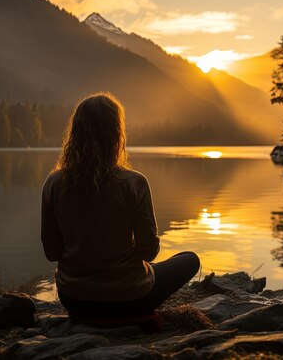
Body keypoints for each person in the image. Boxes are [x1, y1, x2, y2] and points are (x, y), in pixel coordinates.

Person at [41, 92, 200, 323]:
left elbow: (51, 253)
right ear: (116, 134)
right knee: (189, 259)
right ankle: (130, 317)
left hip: (74, 300)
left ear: (75, 133)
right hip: (130, 296)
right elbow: (149, 251)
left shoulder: (53, 183)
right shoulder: (133, 182)